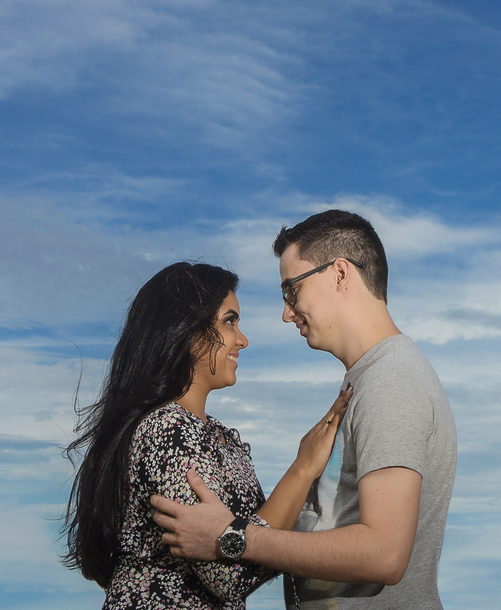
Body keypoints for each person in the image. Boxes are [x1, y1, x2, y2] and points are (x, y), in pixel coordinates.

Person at [152, 210, 458, 609]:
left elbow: (385, 554)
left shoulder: (391, 380)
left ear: (340, 274)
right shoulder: (371, 379)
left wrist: (233, 536)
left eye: (291, 290)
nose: (286, 312)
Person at [63, 261, 351, 609]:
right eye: (230, 321)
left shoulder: (217, 437)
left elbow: (258, 540)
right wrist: (303, 468)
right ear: (186, 330)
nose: (242, 339)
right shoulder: (166, 431)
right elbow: (231, 576)